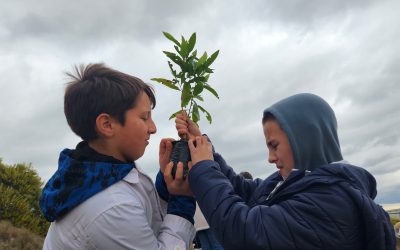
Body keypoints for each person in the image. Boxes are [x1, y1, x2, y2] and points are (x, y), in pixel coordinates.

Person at [173, 93, 396, 249]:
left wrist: (203, 168)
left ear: (305, 140)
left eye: (274, 146)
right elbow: (245, 191)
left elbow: (244, 233)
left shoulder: (331, 202)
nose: (270, 158)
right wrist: (203, 146)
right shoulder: (295, 182)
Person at [39, 63, 196, 249]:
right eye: (144, 117)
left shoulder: (107, 172)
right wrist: (182, 200)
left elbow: (144, 218)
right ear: (107, 125)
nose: (153, 128)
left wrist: (167, 186)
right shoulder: (110, 207)